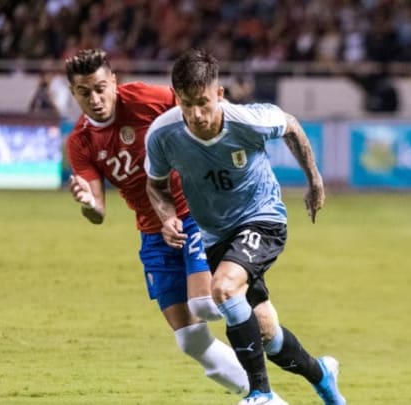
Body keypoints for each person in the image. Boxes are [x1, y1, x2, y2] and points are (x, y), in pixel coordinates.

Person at [145, 48, 346, 405]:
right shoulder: (163, 135)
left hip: (263, 219)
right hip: (216, 235)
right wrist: (166, 216)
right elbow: (156, 186)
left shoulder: (248, 121)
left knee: (222, 288)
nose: (196, 114)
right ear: (176, 98)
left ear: (219, 94)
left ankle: (261, 394)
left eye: (203, 102)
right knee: (267, 336)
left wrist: (314, 180)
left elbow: (292, 127)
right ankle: (322, 375)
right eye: (187, 103)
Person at [63, 49, 249, 397]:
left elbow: (198, 104)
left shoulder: (146, 98)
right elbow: (98, 213)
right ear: (73, 94)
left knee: (205, 304)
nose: (96, 98)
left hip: (193, 212)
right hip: (152, 232)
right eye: (84, 92)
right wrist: (87, 203)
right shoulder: (80, 143)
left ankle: (262, 317)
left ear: (114, 82)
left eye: (101, 88)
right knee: (190, 341)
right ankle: (262, 393)